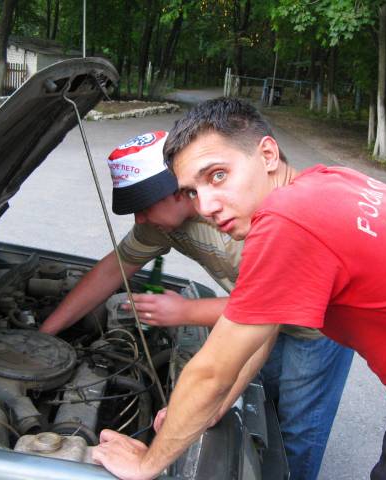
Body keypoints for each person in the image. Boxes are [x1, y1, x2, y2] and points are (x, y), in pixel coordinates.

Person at [91, 99, 386, 480]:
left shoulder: (287, 224)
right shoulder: (325, 182)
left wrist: (148, 463)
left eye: (218, 175)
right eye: (191, 191)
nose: (206, 205)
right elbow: (255, 335)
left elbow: (211, 371)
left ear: (268, 154)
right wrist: (213, 406)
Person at [39, 130, 354, 480]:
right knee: (268, 406)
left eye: (144, 206)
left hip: (317, 329)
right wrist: (45, 333)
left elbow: (267, 314)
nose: (139, 219)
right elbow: (112, 270)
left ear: (177, 188)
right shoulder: (161, 224)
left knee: (299, 429)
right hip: (261, 319)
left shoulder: (243, 219)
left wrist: (187, 319)